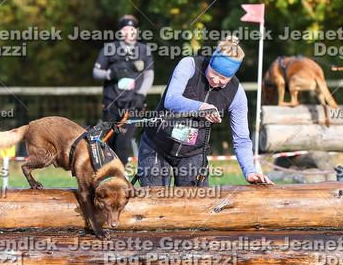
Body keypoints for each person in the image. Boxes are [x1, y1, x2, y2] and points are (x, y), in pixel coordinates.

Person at [138, 36, 272, 187]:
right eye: (213, 72)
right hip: (157, 144)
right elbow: (171, 99)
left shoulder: (236, 94)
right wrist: (201, 107)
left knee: (197, 201)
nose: (215, 80)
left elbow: (241, 139)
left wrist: (249, 171)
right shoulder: (189, 64)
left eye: (223, 78)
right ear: (210, 63)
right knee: (155, 198)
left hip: (193, 153)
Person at [93, 15, 154, 165]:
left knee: (122, 141)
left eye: (132, 30)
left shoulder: (144, 50)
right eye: (125, 30)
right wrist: (110, 74)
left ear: (136, 31)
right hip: (111, 103)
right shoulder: (109, 49)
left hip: (133, 104)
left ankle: (121, 174)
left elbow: (149, 75)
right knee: (111, 141)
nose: (128, 33)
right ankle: (110, 173)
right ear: (120, 31)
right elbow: (96, 72)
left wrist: (141, 95)